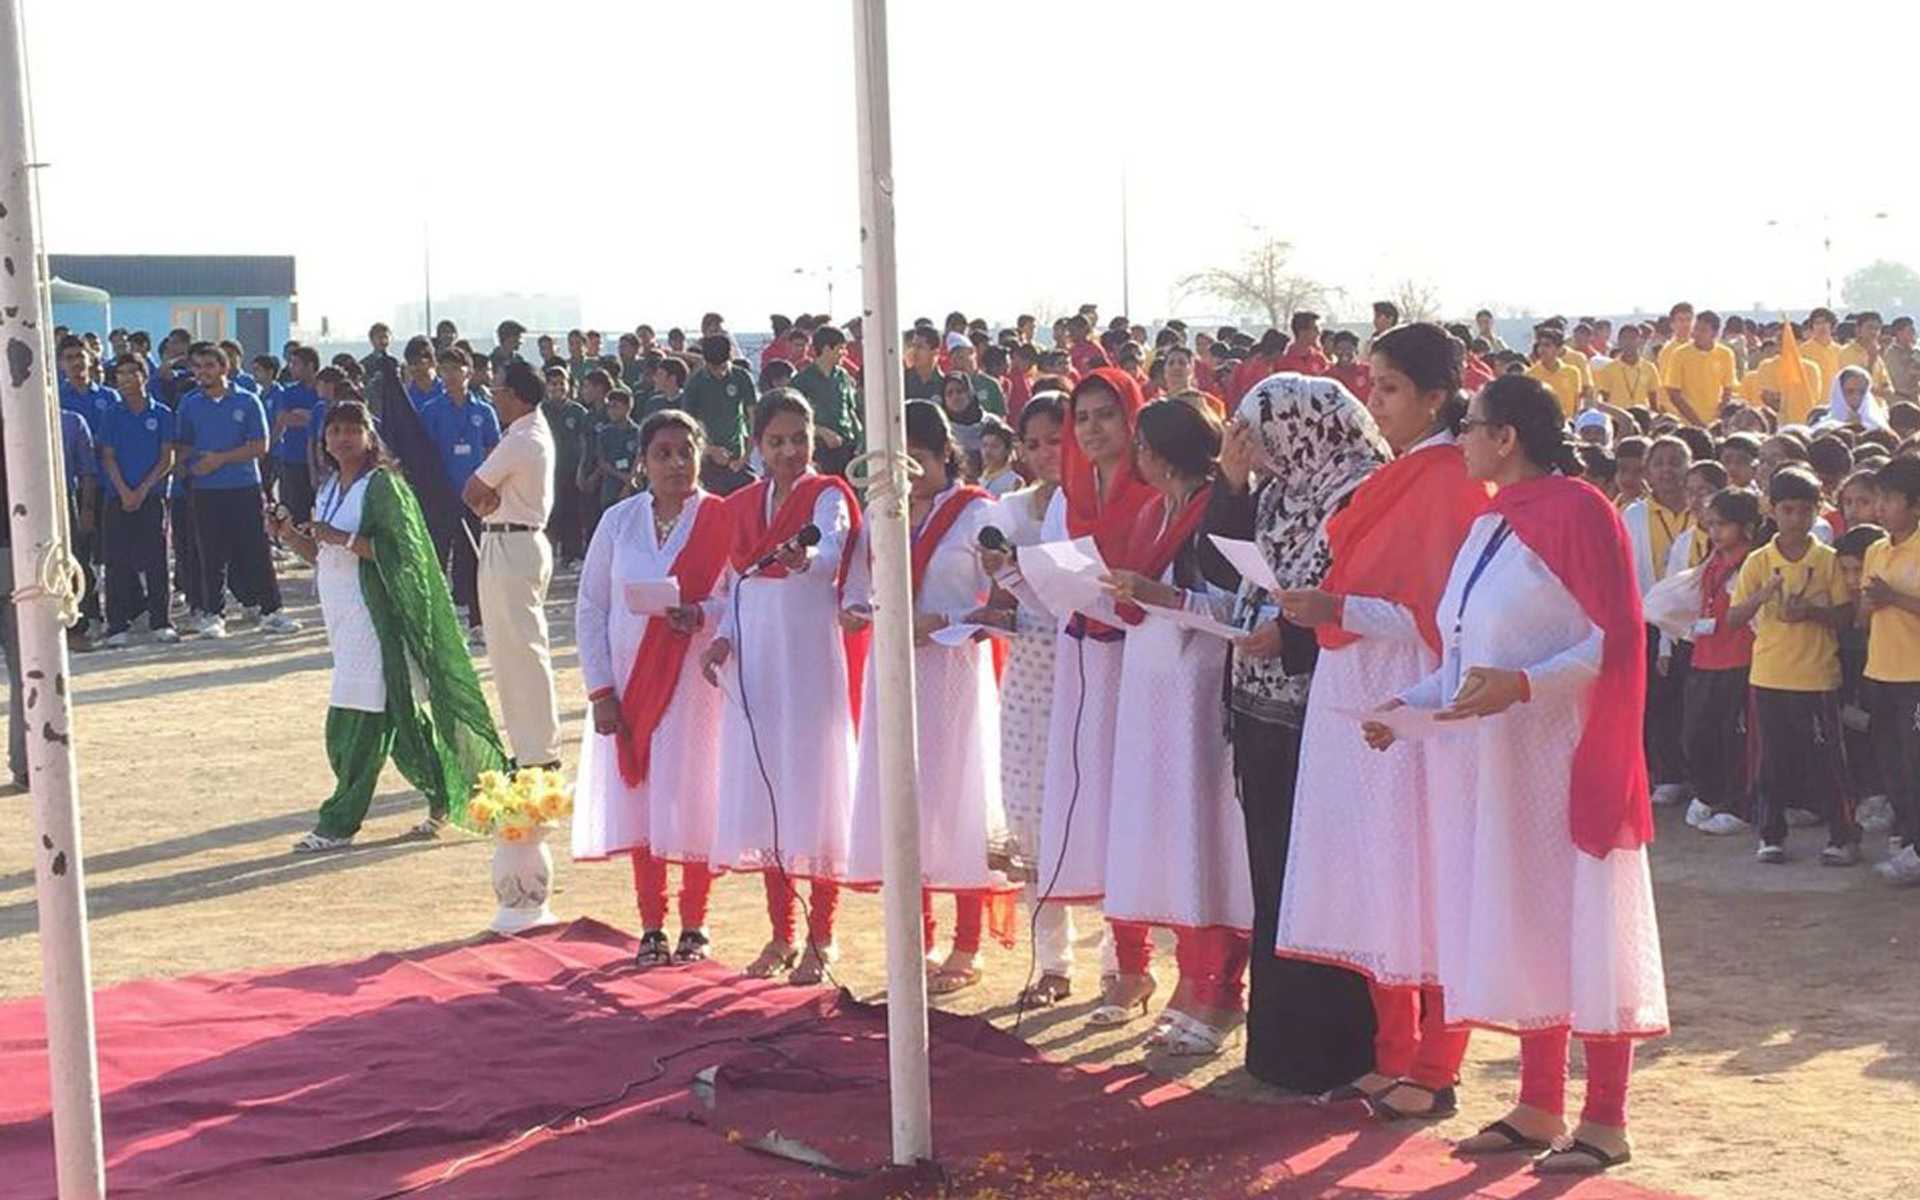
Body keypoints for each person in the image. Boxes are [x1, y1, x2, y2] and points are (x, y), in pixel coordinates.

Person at [1364, 374, 1666, 1174]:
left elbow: (1615, 637)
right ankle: (1538, 1105)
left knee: (1582, 922)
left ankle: (1605, 1119)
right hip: (1495, 768)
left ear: (1508, 438)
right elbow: (1468, 655)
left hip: (1564, 756)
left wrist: (1525, 686)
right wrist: (1408, 706)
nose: (1459, 439)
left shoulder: (1579, 511)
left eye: (1470, 426)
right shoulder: (1490, 522)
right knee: (1529, 921)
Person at [1271, 324, 1490, 1112]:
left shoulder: (1452, 480)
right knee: (1374, 871)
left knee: (1420, 872)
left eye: (1390, 386)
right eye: (1371, 383)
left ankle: (1436, 1066)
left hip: (1411, 688)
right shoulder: (1394, 476)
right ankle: (1391, 1053)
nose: (1375, 400)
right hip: (1351, 684)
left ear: (1436, 397)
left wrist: (1339, 608)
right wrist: (1329, 608)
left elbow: (1440, 615)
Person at [992, 368, 1157, 1018]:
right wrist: (1014, 575)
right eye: (1081, 419)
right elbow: (1058, 599)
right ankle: (1064, 963)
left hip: (1137, 664)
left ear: (1133, 419)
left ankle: (1126, 965)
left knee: (1127, 812)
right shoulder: (1068, 499)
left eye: (1105, 415)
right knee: (1067, 809)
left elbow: (1150, 588)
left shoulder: (1150, 492)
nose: (1091, 430)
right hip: (1076, 665)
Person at [274, 399, 509, 853]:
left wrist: (341, 537)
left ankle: (339, 822)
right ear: (323, 440)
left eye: (352, 429)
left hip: (376, 618)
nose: (342, 438)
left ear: (369, 437)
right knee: (400, 718)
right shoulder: (328, 488)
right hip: (342, 620)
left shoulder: (383, 487)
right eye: (334, 430)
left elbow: (406, 555)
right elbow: (322, 556)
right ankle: (443, 795)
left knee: (356, 723)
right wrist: (290, 535)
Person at [1095, 399, 1254, 1056]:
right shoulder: (1151, 513)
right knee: (1167, 833)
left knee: (1206, 834)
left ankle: (1220, 990)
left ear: (1158, 455)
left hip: (1198, 687)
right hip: (1152, 687)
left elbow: (1239, 608)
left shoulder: (1216, 511)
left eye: (1140, 445)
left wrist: (1161, 595)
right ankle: (1191, 979)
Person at [842, 401, 1013, 996]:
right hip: (894, 671)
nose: (908, 472)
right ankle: (916, 939)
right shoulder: (881, 512)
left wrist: (946, 620)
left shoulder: (977, 514)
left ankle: (967, 943)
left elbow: (1002, 601)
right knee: (902, 799)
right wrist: (858, 611)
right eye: (897, 460)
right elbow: (859, 584)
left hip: (953, 669)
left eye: (917, 457)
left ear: (944, 453)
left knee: (957, 798)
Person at [699, 390, 862, 984]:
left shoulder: (828, 495)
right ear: (757, 445)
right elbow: (732, 587)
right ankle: (781, 933)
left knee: (815, 790)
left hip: (810, 660)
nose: (790, 451)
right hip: (758, 663)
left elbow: (831, 549)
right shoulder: (741, 504)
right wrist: (722, 639)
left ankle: (823, 934)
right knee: (769, 794)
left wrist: (804, 560)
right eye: (777, 441)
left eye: (799, 439)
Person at [574, 410, 733, 967]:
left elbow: (741, 598)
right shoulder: (619, 522)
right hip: (630, 683)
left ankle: (695, 922)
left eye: (685, 451)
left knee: (694, 797)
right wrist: (601, 690)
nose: (675, 463)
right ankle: (650, 925)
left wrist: (703, 613)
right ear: (643, 461)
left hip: (695, 686)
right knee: (641, 798)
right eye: (662, 453)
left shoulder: (721, 519)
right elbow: (591, 605)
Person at [973, 394, 1076, 1003]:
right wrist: (994, 600)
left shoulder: (1101, 504)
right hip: (1030, 673)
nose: (1045, 454)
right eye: (1033, 444)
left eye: (1055, 440)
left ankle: (1123, 963)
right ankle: (1052, 962)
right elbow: (1004, 605)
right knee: (1034, 818)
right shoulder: (1010, 509)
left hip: (1089, 664)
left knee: (1092, 811)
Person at [1725, 466, 1860, 866]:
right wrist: (1764, 595)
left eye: (1805, 510)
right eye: (1787, 510)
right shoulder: (1758, 561)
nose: (1797, 519)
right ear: (1772, 510)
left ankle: (1843, 835)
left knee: (1828, 761)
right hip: (1769, 675)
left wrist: (1810, 612)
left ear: (1817, 510)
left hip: (1816, 675)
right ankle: (1771, 835)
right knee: (1771, 759)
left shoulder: (1828, 560)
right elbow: (1733, 619)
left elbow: (1845, 616)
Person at [463, 360, 563, 770]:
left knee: (521, 653)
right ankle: (530, 748)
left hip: (513, 543)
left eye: (499, 391)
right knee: (512, 653)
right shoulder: (524, 433)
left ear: (517, 396)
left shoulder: (522, 437)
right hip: (510, 541)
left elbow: (473, 490)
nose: (494, 398)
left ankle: (539, 753)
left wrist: (486, 500)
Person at [174, 342, 301, 638]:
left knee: (256, 550)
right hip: (205, 491)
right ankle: (213, 614)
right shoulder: (190, 405)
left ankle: (271, 611)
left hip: (244, 487)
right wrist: (186, 467)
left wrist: (220, 459)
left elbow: (260, 446)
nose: (202, 372)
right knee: (210, 553)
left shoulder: (247, 401)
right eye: (198, 367)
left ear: (224, 367)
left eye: (209, 366)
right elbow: (183, 445)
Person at [1680, 488, 1761, 837]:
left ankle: (1738, 805)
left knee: (1734, 739)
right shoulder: (1712, 559)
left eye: (1722, 524)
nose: (1714, 531)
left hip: (1739, 659)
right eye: (1710, 524)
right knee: (1698, 733)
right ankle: (1709, 793)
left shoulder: (1752, 563)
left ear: (1746, 527)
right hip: (1705, 656)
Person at [1622, 436, 1694, 805]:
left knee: (1693, 699)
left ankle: (1697, 772)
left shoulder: (1702, 510)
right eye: (1659, 463)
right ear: (1647, 472)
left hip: (1695, 623)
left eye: (1675, 461)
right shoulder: (1633, 516)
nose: (1667, 470)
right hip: (1649, 620)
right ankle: (1667, 774)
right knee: (1658, 699)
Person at [1860, 457, 1920, 885]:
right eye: (1877, 497)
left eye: (1889, 498)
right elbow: (1864, 614)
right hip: (1881, 670)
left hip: (1915, 676)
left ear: (1915, 505)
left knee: (1916, 765)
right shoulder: (1875, 550)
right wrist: (1870, 604)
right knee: (1892, 764)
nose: (1879, 507)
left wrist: (1894, 598)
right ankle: (1908, 838)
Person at [420, 347, 501, 644]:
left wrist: (490, 488)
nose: (450, 375)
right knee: (437, 560)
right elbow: (424, 455)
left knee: (475, 560)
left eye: (456, 368)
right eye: (445, 369)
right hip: (442, 497)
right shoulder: (431, 410)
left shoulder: (484, 410)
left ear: (469, 371)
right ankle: (436, 626)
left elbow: (493, 450)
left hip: (474, 499)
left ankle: (478, 622)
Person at [97, 356, 179, 647]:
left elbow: (167, 457)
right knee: (117, 562)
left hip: (151, 496)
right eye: (120, 374)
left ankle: (161, 622)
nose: (125, 379)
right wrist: (124, 491)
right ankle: (117, 625)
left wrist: (142, 489)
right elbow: (108, 456)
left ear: (144, 376)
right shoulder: (112, 414)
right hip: (117, 497)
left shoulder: (163, 413)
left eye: (132, 373)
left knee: (156, 560)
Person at [682, 335, 757, 493]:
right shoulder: (695, 384)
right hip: (707, 460)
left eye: (723, 366)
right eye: (714, 368)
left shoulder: (741, 377)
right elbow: (687, 426)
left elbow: (754, 418)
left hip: (736, 456)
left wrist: (745, 456)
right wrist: (710, 450)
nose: (719, 372)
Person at [790, 325, 862, 477]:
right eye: (841, 348)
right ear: (827, 349)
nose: (845, 353)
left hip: (847, 448)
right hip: (819, 451)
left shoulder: (843, 377)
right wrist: (821, 431)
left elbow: (851, 411)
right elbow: (793, 419)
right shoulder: (802, 381)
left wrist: (860, 441)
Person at [541, 365, 592, 566]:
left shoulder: (578, 411)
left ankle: (571, 554)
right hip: (547, 471)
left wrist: (582, 469)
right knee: (550, 512)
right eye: (553, 384)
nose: (558, 388)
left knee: (572, 512)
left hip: (571, 470)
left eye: (561, 383)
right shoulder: (541, 411)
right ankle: (548, 554)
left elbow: (586, 442)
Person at [1817, 365, 1889, 431]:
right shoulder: (1824, 429)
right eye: (1850, 391)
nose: (1856, 397)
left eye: (1862, 392)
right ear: (1839, 393)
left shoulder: (1877, 428)